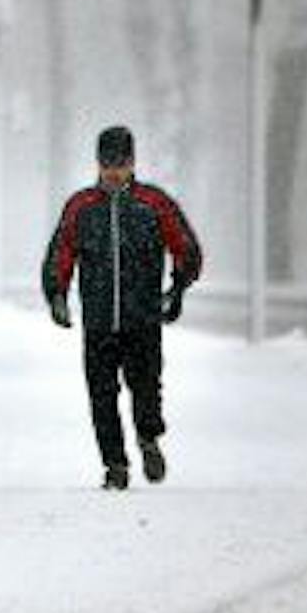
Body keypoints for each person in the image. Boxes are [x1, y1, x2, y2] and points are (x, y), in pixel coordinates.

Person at [40, 124, 204, 490]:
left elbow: (185, 247)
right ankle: (114, 464)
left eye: (121, 163)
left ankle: (148, 438)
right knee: (101, 394)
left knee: (145, 387)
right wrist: (57, 294)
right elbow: (62, 252)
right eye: (107, 164)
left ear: (133, 163)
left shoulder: (153, 203)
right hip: (98, 320)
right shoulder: (82, 206)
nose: (114, 172)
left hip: (141, 318)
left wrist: (177, 287)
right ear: (97, 164)